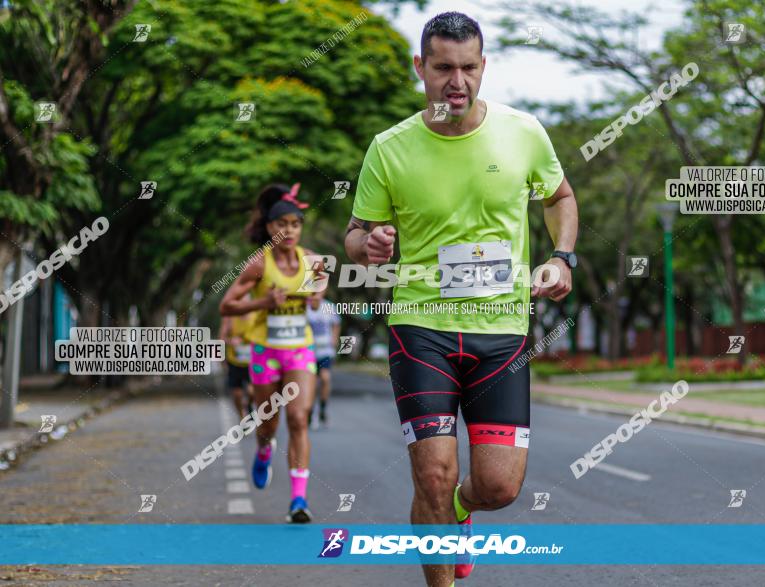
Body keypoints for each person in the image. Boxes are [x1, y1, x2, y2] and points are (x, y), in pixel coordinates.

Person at [345, 12, 578, 587]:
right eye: (444, 68)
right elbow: (355, 233)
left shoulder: (524, 133)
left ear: (483, 66)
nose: (458, 82)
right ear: (419, 67)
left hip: (502, 331)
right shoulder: (389, 148)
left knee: (499, 487)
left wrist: (562, 255)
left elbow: (560, 196)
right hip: (420, 325)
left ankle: (460, 510)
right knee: (432, 474)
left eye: (469, 67)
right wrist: (367, 243)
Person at [220, 182, 326, 523]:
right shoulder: (258, 265)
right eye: (282, 224)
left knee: (298, 418)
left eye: (295, 224)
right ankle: (264, 448)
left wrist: (315, 297)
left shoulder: (311, 261)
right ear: (270, 228)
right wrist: (265, 302)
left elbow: (319, 290)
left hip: (299, 350)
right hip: (265, 351)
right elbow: (227, 305)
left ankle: (298, 501)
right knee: (269, 424)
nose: (289, 230)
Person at [306, 297, 341, 429]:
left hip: (325, 351)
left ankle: (322, 408)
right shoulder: (305, 307)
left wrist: (334, 338)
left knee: (325, 378)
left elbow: (336, 323)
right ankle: (309, 411)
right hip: (309, 352)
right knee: (312, 383)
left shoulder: (329, 306)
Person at [220, 312, 255, 419]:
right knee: (237, 394)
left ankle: (248, 404)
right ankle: (242, 417)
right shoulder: (230, 317)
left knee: (252, 392)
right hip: (234, 362)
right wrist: (230, 341)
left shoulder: (255, 315)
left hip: (252, 361)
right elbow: (221, 338)